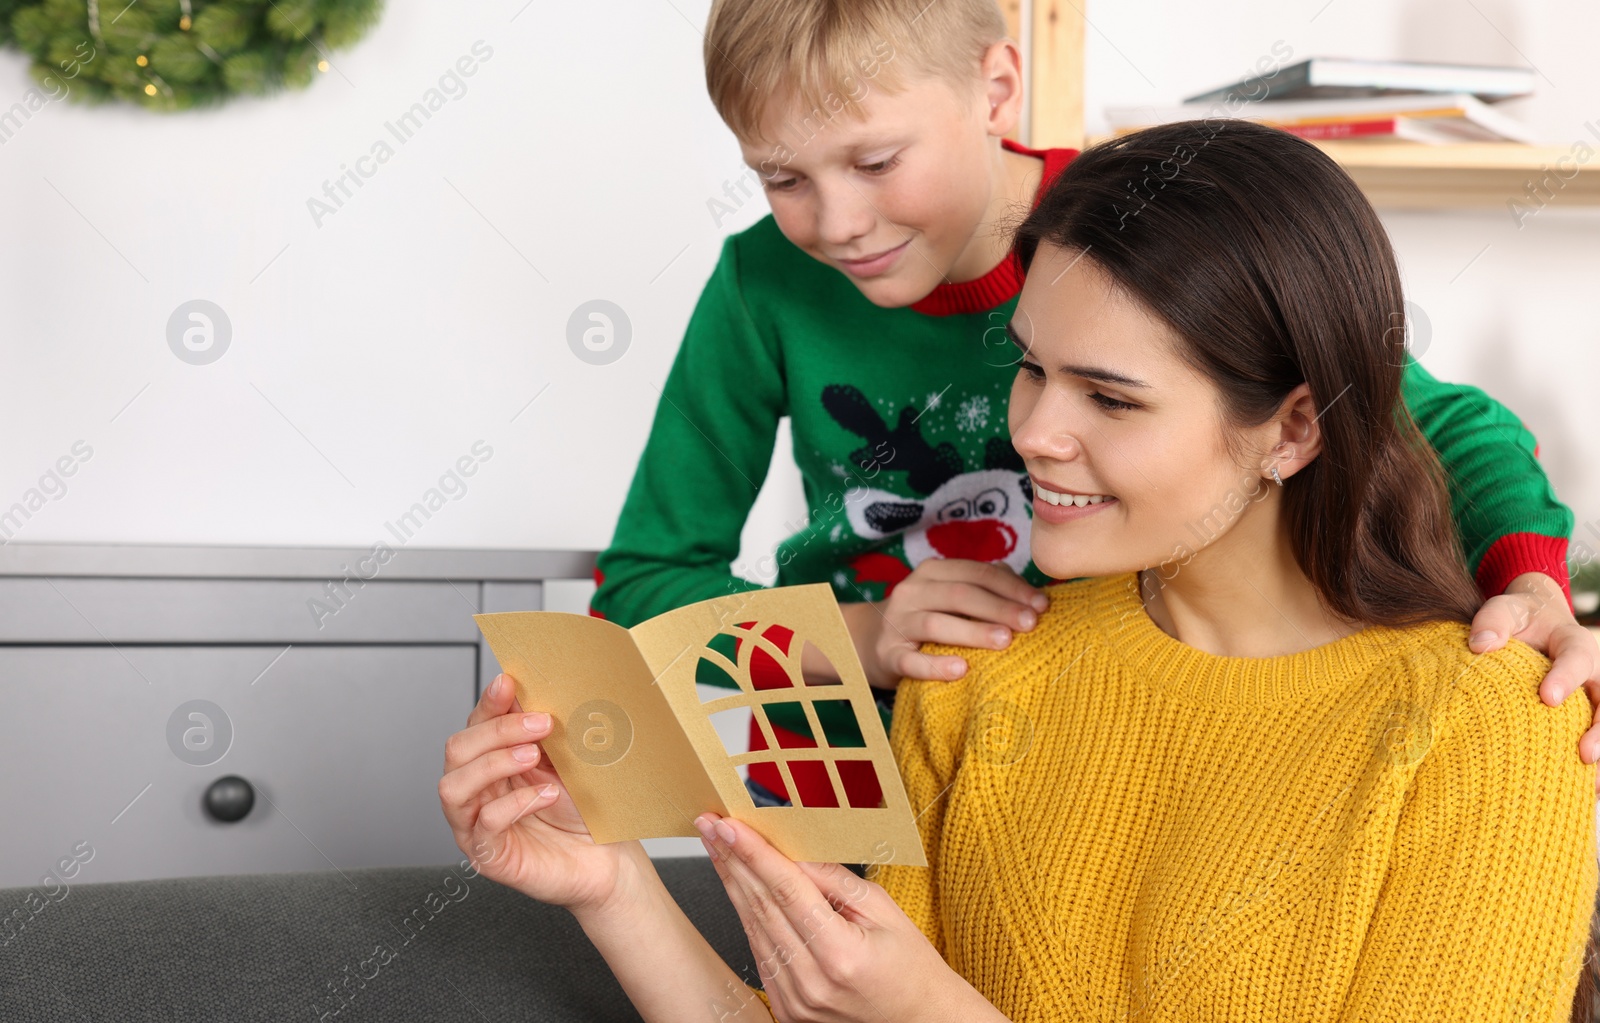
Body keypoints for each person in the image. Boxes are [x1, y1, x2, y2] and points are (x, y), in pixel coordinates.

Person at [439, 120, 1599, 1023]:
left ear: (1293, 425)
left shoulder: (1490, 726)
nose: (1034, 432)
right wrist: (607, 885)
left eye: (1111, 396)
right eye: (1033, 367)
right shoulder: (983, 661)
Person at [588, 0, 1600, 811]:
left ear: (995, 85)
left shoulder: (1135, 229)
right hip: (855, 776)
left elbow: (1428, 418)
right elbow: (642, 589)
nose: (839, 222)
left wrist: (1537, 593)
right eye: (781, 178)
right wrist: (859, 634)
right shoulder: (760, 283)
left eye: (876, 160)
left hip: (1087, 746)